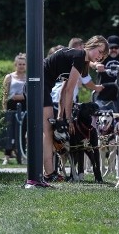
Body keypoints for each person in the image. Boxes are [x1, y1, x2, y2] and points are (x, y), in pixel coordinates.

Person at [41, 36, 107, 181]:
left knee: (48, 130)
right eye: (99, 51)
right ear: (91, 45)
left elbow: (64, 91)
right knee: (47, 130)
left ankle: (48, 173)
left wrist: (60, 116)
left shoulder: (82, 63)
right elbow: (70, 91)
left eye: (103, 55)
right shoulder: (79, 56)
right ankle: (48, 174)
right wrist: (69, 118)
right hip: (39, 83)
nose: (100, 56)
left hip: (44, 86)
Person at [0, 53, 27, 164]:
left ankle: (22, 155)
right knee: (9, 131)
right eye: (19, 64)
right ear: (15, 64)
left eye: (23, 64)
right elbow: (5, 94)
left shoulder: (28, 77)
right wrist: (4, 108)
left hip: (24, 105)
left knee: (23, 130)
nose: (21, 66)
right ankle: (7, 156)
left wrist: (22, 96)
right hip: (11, 105)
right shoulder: (9, 77)